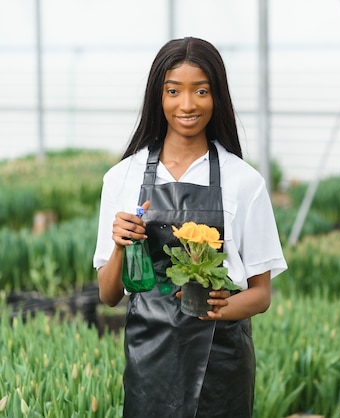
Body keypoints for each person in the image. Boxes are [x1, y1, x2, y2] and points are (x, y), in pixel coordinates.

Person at [93, 37, 287, 418]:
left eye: (201, 90)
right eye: (173, 91)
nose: (187, 104)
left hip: (222, 362)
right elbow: (108, 295)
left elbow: (261, 295)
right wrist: (119, 244)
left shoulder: (242, 181)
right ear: (158, 97)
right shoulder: (123, 177)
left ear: (216, 97)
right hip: (149, 358)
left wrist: (224, 306)